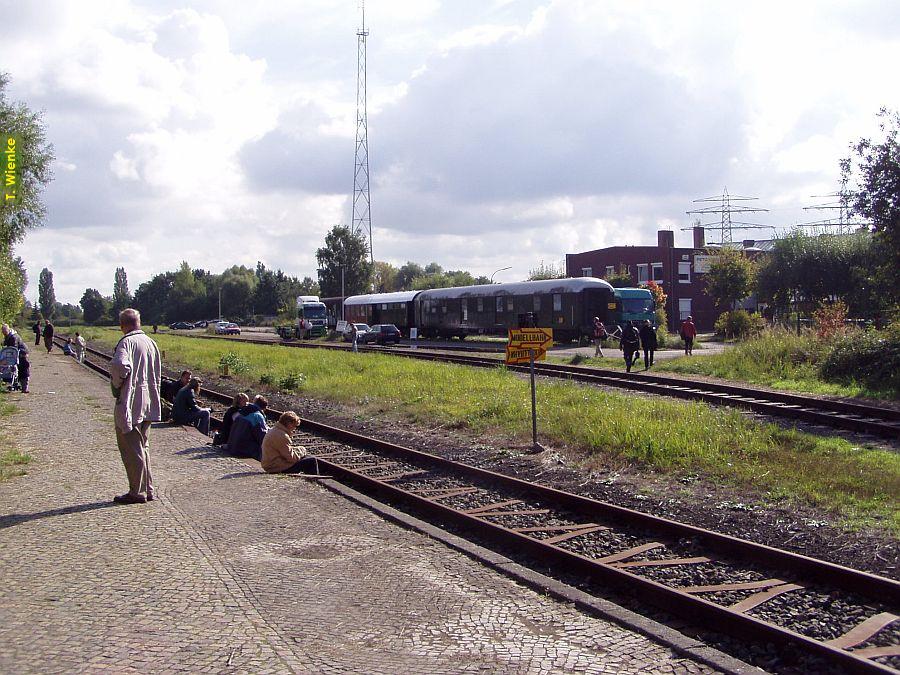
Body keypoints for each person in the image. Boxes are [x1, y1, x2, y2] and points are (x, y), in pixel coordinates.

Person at [110, 308, 162, 505]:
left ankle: (136, 491)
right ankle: (148, 488)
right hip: (149, 400)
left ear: (122, 325)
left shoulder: (126, 342)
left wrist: (116, 384)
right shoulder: (151, 342)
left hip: (131, 401)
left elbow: (120, 367)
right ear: (138, 322)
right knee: (144, 445)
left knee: (131, 447)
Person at [225, 394, 269, 460]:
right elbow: (262, 437)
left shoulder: (243, 411)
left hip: (232, 446)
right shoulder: (257, 416)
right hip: (244, 450)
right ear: (264, 408)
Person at [1, 324, 31, 393]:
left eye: (4, 332)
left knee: (23, 369)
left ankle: (24, 388)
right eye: (3, 332)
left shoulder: (14, 337)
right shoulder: (8, 336)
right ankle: (14, 382)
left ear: (8, 330)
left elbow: (13, 348)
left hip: (22, 353)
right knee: (14, 368)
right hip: (16, 353)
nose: (4, 333)